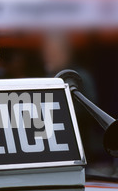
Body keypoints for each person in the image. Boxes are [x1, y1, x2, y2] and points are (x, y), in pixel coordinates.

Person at [41, 32, 101, 164]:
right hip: (55, 150)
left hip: (80, 150)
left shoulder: (80, 77)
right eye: (47, 52)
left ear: (65, 52)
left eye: (53, 52)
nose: (48, 56)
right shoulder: (48, 77)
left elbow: (90, 111)